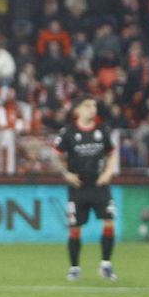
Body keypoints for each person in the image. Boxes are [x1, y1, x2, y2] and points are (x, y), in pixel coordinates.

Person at [55, 97, 119, 281]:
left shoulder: (102, 131)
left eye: (94, 106)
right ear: (78, 110)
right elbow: (54, 155)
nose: (92, 109)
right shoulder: (68, 132)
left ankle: (105, 265)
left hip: (99, 186)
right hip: (78, 187)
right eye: (88, 106)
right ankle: (74, 268)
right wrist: (66, 174)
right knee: (75, 228)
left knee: (109, 221)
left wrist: (108, 172)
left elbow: (112, 153)